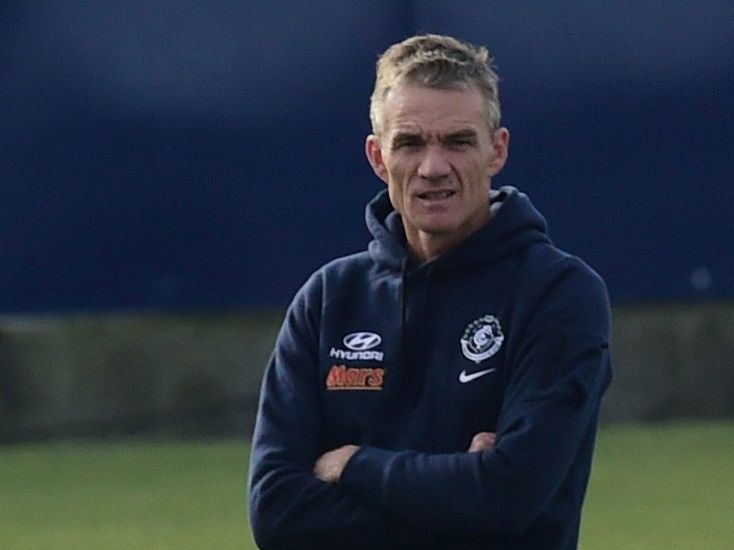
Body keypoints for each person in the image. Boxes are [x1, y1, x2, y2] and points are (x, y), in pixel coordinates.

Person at [248, 33, 612, 549]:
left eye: (459, 141)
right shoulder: (329, 298)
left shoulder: (558, 293)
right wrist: (458, 493)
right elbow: (276, 513)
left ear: (497, 151)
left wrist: (353, 463)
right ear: (378, 157)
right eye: (411, 143)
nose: (433, 167)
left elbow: (507, 498)